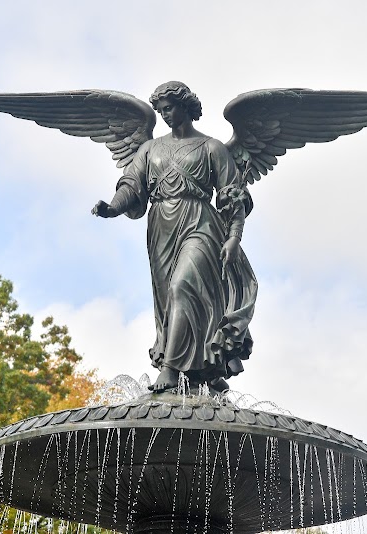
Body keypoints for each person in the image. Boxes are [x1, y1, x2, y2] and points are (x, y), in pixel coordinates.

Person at [92, 82, 257, 393]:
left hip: (200, 224)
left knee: (184, 286)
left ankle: (170, 367)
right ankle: (207, 369)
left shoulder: (212, 148)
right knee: (170, 300)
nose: (165, 114)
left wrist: (234, 237)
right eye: (161, 109)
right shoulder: (149, 149)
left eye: (169, 107)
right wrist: (112, 208)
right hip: (160, 227)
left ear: (185, 106)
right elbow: (132, 185)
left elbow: (232, 195)